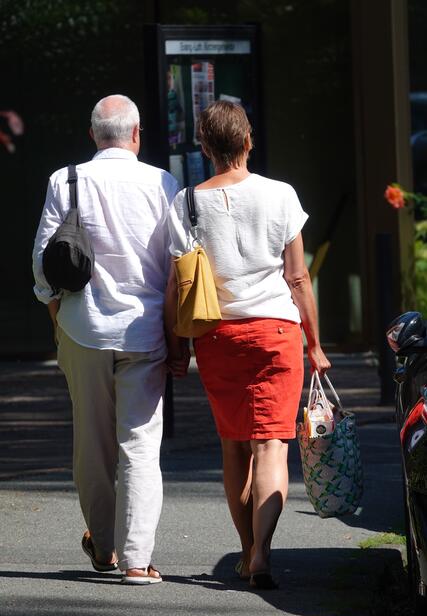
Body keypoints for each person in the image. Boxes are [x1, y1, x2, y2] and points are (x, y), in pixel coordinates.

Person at [165, 100, 330, 589]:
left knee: (234, 447)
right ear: (248, 140)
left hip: (219, 337)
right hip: (277, 332)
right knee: (272, 446)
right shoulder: (280, 195)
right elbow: (298, 278)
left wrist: (178, 345)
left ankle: (245, 549)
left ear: (204, 147)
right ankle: (262, 553)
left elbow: (178, 284)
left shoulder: (186, 203)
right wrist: (315, 344)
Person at [32, 94, 178, 584]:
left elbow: (43, 259)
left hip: (83, 327)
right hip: (145, 330)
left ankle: (103, 544)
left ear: (93, 135)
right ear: (136, 134)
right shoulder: (162, 183)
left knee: (91, 444)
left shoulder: (66, 179)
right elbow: (176, 264)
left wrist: (56, 312)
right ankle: (137, 560)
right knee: (140, 444)